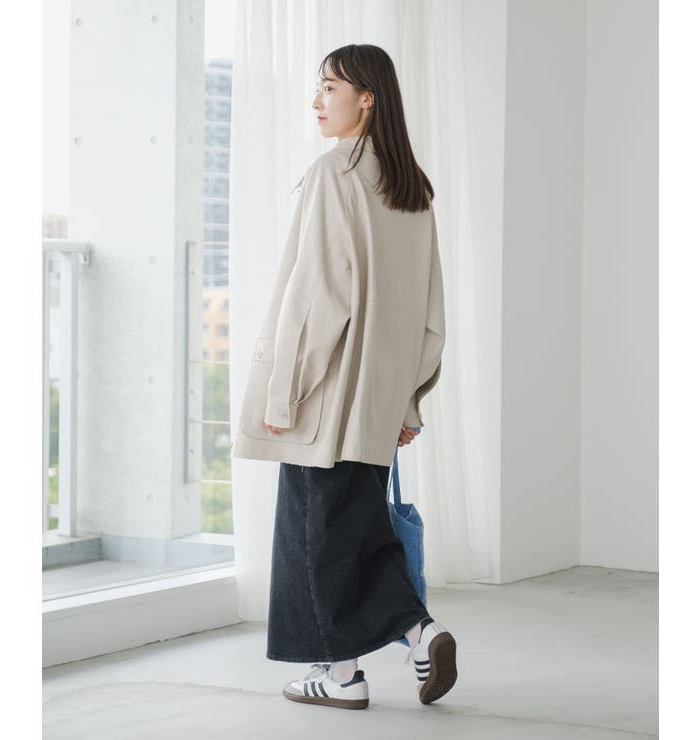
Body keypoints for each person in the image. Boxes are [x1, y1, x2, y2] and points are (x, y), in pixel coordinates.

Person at [231, 43, 455, 709]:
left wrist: (285, 391)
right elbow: (430, 316)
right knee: (353, 531)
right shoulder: (412, 187)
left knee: (312, 537)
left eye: (330, 87)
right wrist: (407, 404)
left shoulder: (336, 174)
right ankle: (415, 635)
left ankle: (345, 675)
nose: (317, 101)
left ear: (367, 98)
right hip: (377, 402)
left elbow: (318, 297)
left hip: (327, 395)